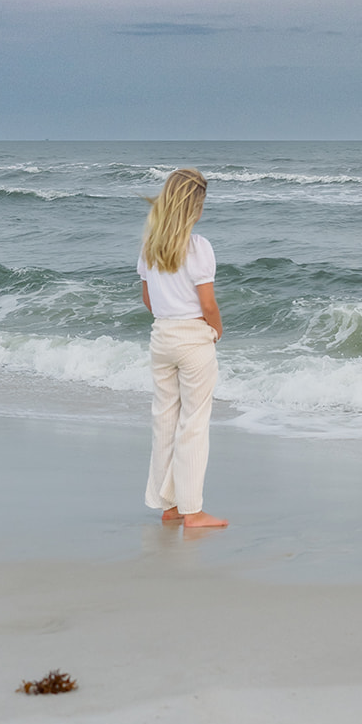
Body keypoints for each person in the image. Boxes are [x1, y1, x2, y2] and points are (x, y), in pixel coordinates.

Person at [137, 167, 228, 529]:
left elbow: (148, 299)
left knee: (165, 420)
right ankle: (192, 511)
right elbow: (207, 304)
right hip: (193, 340)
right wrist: (217, 330)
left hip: (162, 337)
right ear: (196, 206)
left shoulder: (150, 246)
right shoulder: (198, 247)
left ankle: (168, 504)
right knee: (193, 423)